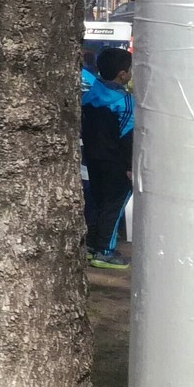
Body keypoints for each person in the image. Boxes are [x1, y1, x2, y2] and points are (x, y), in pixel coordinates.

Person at [82, 46, 135, 270]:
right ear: (123, 74)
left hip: (93, 158)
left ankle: (93, 245)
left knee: (98, 202)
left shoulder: (91, 94)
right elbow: (127, 136)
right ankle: (105, 251)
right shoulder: (125, 102)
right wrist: (130, 165)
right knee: (113, 206)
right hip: (116, 163)